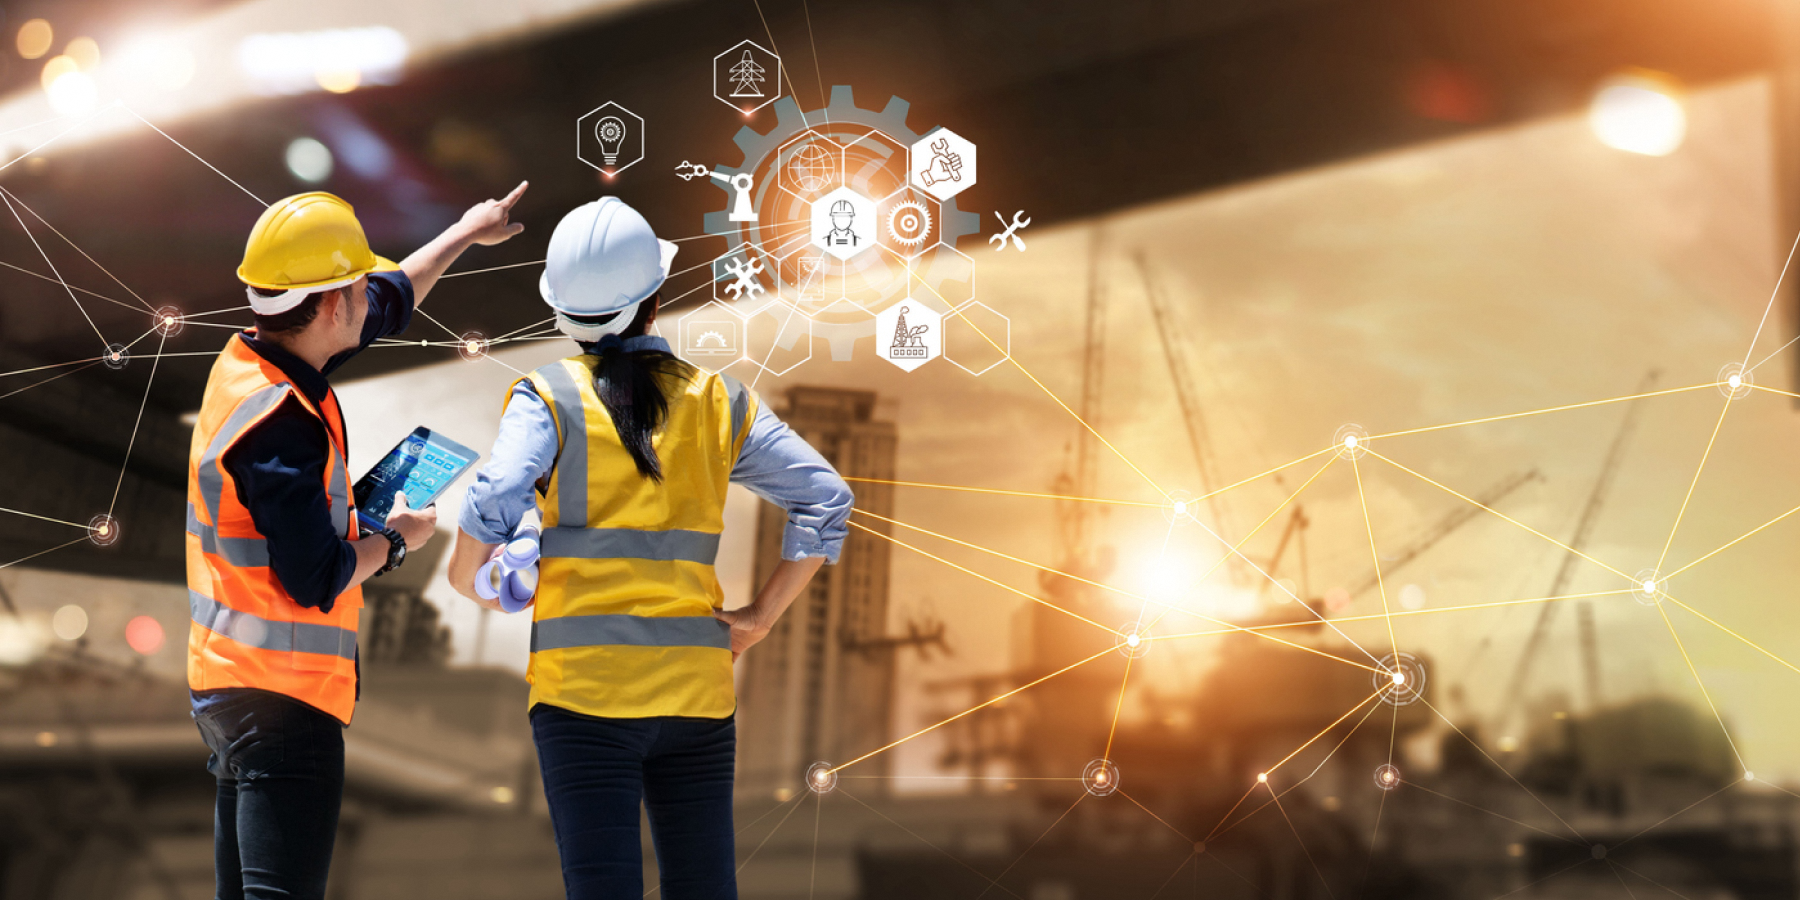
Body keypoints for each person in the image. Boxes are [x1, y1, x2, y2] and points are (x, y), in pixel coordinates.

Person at [448, 196, 853, 900]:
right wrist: (760, 617)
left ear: (562, 310)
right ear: (655, 301)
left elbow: (499, 487)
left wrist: (465, 574)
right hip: (696, 696)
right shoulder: (720, 402)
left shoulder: (548, 398)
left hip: (584, 696)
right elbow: (826, 496)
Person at [187, 183, 528, 900]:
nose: (373, 298)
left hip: (228, 691)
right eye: (359, 287)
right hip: (285, 705)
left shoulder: (255, 365)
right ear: (334, 304)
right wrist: (397, 540)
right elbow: (316, 576)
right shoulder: (281, 424)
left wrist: (466, 230)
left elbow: (396, 296)